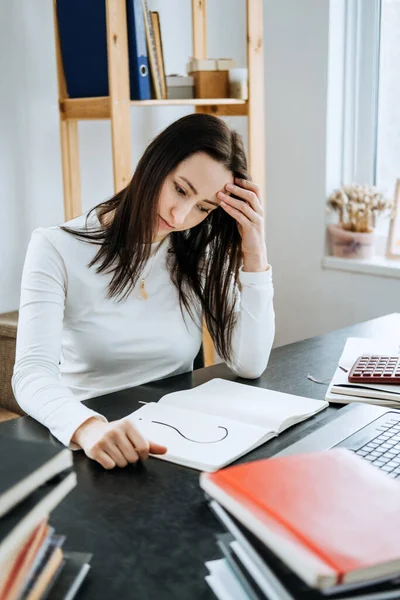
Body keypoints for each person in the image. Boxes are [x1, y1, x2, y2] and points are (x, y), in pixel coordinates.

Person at [12, 114, 275, 470]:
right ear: (154, 163)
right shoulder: (55, 247)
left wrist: (254, 252)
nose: (180, 216)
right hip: (92, 440)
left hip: (182, 441)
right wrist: (87, 428)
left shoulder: (197, 253)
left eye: (204, 207)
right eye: (181, 189)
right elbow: (30, 373)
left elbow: (250, 363)